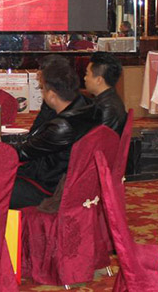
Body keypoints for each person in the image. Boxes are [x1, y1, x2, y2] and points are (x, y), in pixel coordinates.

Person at [9, 58, 96, 209]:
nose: (41, 93)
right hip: (66, 177)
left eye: (42, 89)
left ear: (52, 95)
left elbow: (23, 152)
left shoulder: (62, 127)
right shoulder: (87, 106)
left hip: (50, 187)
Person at [84, 52, 127, 135]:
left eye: (87, 74)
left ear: (98, 80)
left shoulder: (106, 107)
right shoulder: (110, 99)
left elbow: (96, 139)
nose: (85, 78)